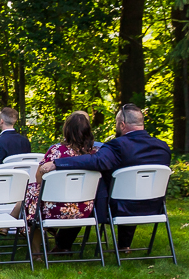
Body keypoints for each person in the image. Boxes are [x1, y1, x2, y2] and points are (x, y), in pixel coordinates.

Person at [38, 104, 171, 252]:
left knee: (82, 194)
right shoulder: (162, 147)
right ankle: (123, 245)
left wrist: (57, 163)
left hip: (117, 207)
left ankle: (62, 246)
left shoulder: (117, 146)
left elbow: (95, 161)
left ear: (122, 124)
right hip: (153, 206)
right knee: (133, 189)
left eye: (116, 123)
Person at [15, 112, 96, 256]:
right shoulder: (94, 154)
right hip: (83, 209)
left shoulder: (56, 151)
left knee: (33, 191)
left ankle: (36, 252)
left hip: (55, 209)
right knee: (35, 194)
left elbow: (39, 178)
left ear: (67, 130)